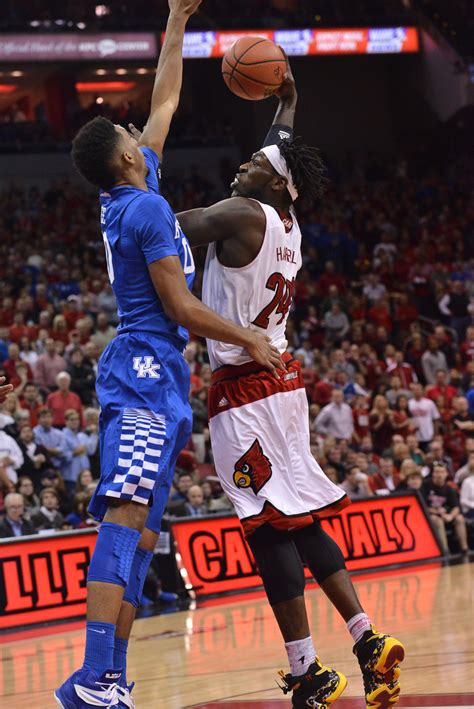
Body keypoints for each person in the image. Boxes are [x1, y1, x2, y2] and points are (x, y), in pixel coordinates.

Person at [55, 2, 282, 707]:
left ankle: (113, 679)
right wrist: (249, 337)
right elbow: (180, 306)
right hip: (144, 367)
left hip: (163, 373)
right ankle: (93, 676)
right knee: (124, 517)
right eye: (130, 132)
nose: (140, 129)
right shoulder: (146, 209)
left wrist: (177, 20)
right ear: (124, 156)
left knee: (147, 532)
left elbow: (167, 97)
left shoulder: (136, 186)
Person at [177, 58, 404, 709]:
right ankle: (365, 639)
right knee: (298, 518)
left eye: (252, 163)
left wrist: (126, 193)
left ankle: (308, 671)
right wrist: (290, 98)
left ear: (271, 184)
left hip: (244, 395)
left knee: (265, 525)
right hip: (285, 385)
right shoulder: (285, 219)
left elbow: (168, 229)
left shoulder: (241, 211)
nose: (242, 163)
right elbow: (281, 146)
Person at [421, 462, 468, 555]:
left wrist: (450, 516)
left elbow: (456, 507)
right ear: (433, 473)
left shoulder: (449, 489)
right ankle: (444, 550)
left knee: (460, 519)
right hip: (430, 516)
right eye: (437, 472)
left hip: (445, 515)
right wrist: (436, 511)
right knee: (437, 520)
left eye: (442, 472)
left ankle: (464, 549)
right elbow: (422, 505)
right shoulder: (425, 486)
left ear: (446, 474)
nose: (439, 475)